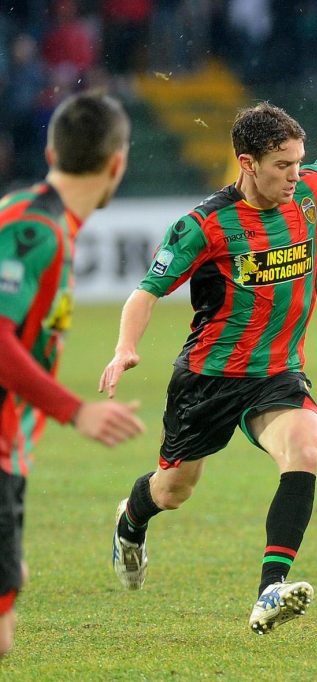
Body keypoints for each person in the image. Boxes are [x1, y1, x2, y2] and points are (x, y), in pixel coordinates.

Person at [99, 102, 317, 635]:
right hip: (209, 378)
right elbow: (146, 291)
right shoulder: (204, 224)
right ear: (247, 162)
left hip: (278, 371)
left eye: (298, 162)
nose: (295, 175)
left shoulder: (309, 192)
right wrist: (126, 346)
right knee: (175, 489)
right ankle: (132, 520)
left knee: (305, 447)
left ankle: (270, 589)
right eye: (282, 165)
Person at [0, 91, 145, 657]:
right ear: (117, 163)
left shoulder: (30, 217)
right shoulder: (36, 232)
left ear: (49, 148)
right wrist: (75, 409)